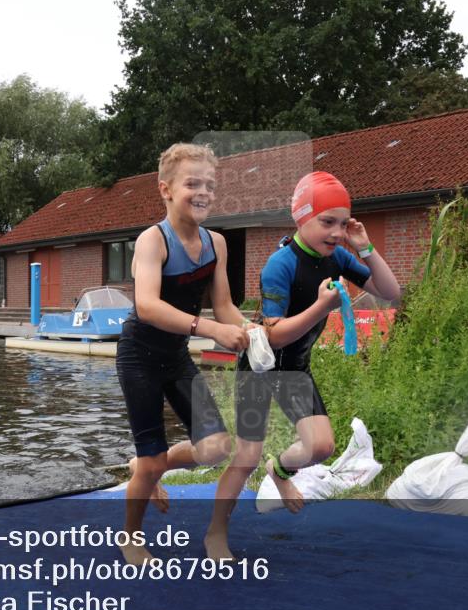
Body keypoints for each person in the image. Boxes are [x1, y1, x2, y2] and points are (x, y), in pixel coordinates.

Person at [204, 171, 402, 561]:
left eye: (343, 224)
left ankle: (278, 471)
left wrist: (365, 248)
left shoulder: (340, 256)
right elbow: (275, 337)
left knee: (321, 446)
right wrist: (321, 307)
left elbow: (391, 293)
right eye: (327, 222)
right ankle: (215, 533)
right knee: (245, 458)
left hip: (295, 371)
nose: (336, 232)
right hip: (260, 370)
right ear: (301, 219)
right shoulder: (279, 265)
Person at [116, 143, 253, 566]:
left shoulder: (217, 244)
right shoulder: (151, 241)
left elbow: (225, 305)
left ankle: (149, 468)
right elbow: (148, 306)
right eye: (192, 183)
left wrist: (251, 330)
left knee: (215, 447)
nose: (203, 192)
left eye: (210, 185)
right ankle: (131, 536)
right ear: (166, 190)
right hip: (139, 355)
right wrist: (211, 330)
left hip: (175, 356)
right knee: (151, 457)